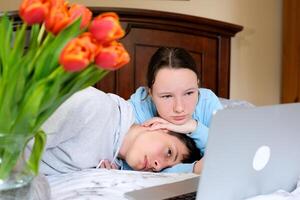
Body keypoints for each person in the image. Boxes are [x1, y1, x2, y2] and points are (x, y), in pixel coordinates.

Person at [32, 87, 201, 175]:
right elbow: (14, 141)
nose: (158, 167)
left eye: (164, 169)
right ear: (158, 126)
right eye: (169, 153)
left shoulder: (110, 164)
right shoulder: (95, 108)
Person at [129, 47, 223, 174]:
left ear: (197, 86)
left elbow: (227, 154)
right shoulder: (135, 110)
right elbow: (137, 168)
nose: (179, 108)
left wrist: (195, 127)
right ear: (150, 93)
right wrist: (193, 169)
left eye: (189, 93)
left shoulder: (207, 103)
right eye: (167, 96)